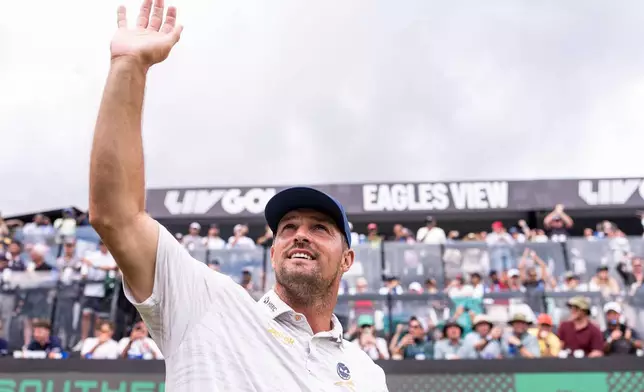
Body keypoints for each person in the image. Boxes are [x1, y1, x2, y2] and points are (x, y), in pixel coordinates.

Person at [88, 0, 388, 389]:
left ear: (348, 258)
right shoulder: (206, 304)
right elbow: (117, 216)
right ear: (274, 250)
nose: (300, 234)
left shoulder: (367, 373)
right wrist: (128, 66)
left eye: (320, 228)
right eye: (288, 227)